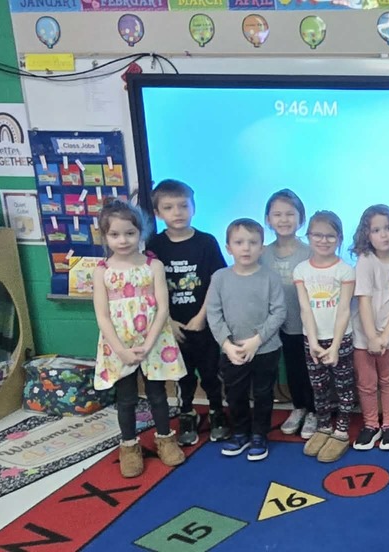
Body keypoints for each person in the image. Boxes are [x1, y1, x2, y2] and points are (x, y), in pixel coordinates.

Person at [93, 200, 186, 478]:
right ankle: (129, 446)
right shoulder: (102, 271)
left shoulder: (153, 265)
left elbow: (162, 308)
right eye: (115, 235)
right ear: (105, 236)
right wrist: (120, 350)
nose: (123, 240)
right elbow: (102, 316)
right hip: (118, 345)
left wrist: (149, 344)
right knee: (127, 399)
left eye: (130, 233)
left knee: (158, 395)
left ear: (141, 232)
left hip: (153, 341)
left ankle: (165, 438)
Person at [147, 179, 228, 446]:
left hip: (203, 323)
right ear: (158, 213)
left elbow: (217, 281)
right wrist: (167, 321)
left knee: (210, 373)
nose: (177, 212)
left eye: (183, 205)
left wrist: (202, 316)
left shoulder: (206, 242)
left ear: (194, 207)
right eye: (169, 207)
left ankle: (217, 412)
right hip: (171, 327)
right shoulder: (153, 246)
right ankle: (186, 413)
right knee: (182, 375)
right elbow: (149, 288)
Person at [206, 219, 286, 461]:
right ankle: (240, 433)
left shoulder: (270, 278)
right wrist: (227, 345)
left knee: (263, 394)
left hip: (266, 350)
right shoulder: (220, 278)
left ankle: (260, 435)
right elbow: (214, 313)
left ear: (262, 248)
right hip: (232, 351)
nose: (246, 248)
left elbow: (279, 311)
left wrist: (256, 341)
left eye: (253, 243)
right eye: (239, 242)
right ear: (229, 247)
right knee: (235, 394)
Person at [293, 211, 356, 463]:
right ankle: (323, 426)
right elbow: (304, 308)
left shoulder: (345, 270)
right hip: (313, 340)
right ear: (308, 236)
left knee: (343, 386)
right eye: (317, 235)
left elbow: (344, 309)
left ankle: (341, 430)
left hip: (341, 338)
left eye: (330, 236)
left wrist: (335, 344)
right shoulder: (301, 270)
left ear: (339, 238)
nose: (323, 240)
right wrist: (315, 342)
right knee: (319, 387)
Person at [350, 204, 389, 451]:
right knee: (366, 381)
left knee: (388, 379)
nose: (384, 235)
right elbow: (363, 299)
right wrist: (372, 336)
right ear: (367, 235)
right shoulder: (365, 260)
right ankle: (371, 424)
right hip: (364, 335)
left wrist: (385, 336)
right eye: (376, 230)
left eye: (388, 228)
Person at [262, 189, 315, 439]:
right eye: (277, 214)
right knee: (292, 368)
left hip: (308, 324)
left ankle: (315, 410)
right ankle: (299, 407)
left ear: (301, 219)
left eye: (290, 214)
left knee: (312, 368)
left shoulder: (311, 252)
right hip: (276, 325)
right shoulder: (261, 253)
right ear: (268, 219)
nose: (284, 220)